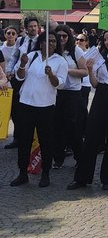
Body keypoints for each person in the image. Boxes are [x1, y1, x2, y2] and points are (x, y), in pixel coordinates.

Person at [68, 31, 108, 191]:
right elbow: (95, 84)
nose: (107, 42)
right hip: (101, 95)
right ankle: (82, 178)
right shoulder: (99, 57)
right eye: (105, 39)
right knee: (91, 136)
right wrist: (90, 70)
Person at [9, 32, 67, 187]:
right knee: (24, 140)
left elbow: (60, 84)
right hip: (26, 103)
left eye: (54, 41)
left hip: (46, 106)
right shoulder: (31, 55)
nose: (51, 44)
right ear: (41, 43)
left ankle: (45, 172)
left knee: (46, 141)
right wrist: (22, 64)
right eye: (48, 41)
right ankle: (22, 173)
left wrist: (51, 74)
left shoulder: (60, 61)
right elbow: (20, 77)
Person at [52, 25, 88, 169]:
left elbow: (85, 71)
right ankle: (58, 158)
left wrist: (67, 70)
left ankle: (79, 157)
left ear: (69, 37)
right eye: (59, 36)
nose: (61, 38)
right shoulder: (52, 51)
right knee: (56, 126)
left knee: (73, 127)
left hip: (73, 93)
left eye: (64, 36)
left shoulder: (75, 51)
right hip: (56, 92)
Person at [5, 16, 41, 150]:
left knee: (30, 108)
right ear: (26, 28)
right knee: (16, 109)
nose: (33, 28)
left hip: (33, 78)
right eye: (30, 26)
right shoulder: (20, 40)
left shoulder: (41, 41)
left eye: (35, 26)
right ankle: (17, 138)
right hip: (18, 77)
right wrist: (9, 72)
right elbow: (14, 57)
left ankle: (31, 139)